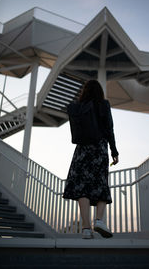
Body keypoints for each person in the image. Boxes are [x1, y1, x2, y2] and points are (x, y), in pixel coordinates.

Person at [63, 80, 119, 239]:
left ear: (84, 92)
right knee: (100, 182)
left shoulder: (78, 108)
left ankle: (86, 229)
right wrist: (114, 150)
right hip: (99, 149)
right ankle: (99, 221)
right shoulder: (103, 104)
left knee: (82, 187)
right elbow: (109, 129)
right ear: (99, 92)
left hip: (82, 150)